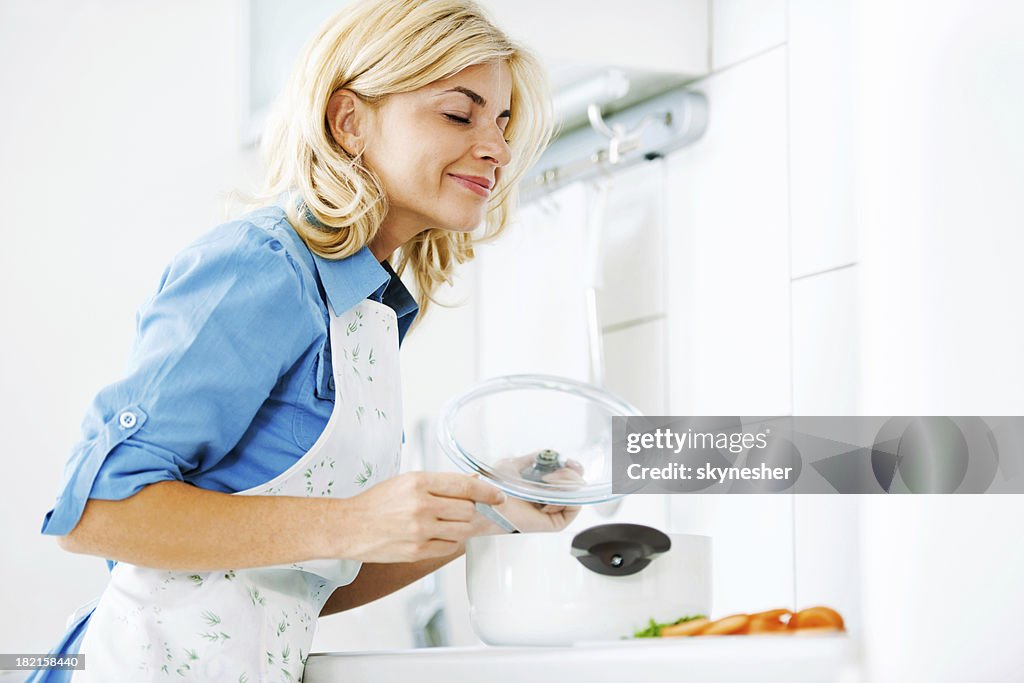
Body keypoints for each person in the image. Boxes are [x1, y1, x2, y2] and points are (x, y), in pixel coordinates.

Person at [30, 1, 579, 680]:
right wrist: (352, 520)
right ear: (349, 122)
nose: (496, 146)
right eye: (458, 114)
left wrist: (493, 511)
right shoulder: (264, 266)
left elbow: (298, 579)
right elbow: (98, 513)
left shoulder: (368, 309)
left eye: (502, 121)